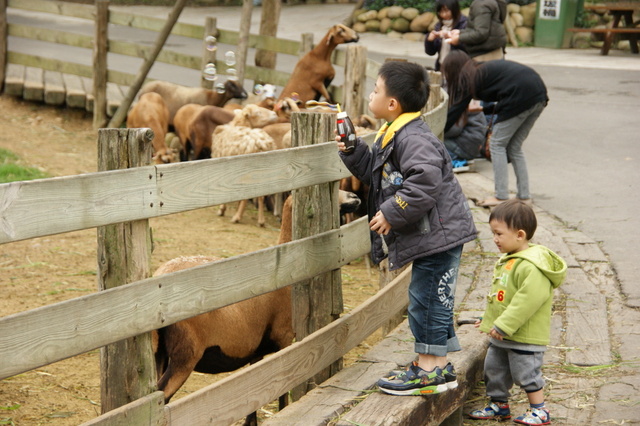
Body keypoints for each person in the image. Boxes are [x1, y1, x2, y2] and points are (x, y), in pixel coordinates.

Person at [336, 61, 477, 396]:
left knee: (426, 300)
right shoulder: (397, 132)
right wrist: (354, 150)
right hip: (435, 234)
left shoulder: (413, 137)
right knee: (434, 299)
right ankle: (438, 366)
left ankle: (427, 371)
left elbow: (424, 180)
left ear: (392, 104)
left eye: (375, 89)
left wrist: (391, 212)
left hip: (437, 236)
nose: (371, 94)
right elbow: (378, 170)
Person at [468, 199, 566, 424]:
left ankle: (539, 410)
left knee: (527, 373)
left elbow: (525, 302)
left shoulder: (531, 266)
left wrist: (503, 324)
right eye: (493, 233)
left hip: (523, 336)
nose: (494, 239)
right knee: (494, 370)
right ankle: (499, 404)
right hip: (502, 335)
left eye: (499, 234)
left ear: (520, 235)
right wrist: (490, 319)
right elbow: (505, 297)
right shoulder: (510, 260)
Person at [441, 50, 548, 207]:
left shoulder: (469, 78)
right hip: (538, 94)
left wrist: (436, 130)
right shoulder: (480, 71)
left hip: (521, 96)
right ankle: (524, 196)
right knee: (514, 147)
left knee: (497, 144)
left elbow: (455, 112)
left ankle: (501, 196)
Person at [443, 99, 487, 171]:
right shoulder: (469, 102)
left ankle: (457, 159)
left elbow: (454, 130)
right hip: (473, 146)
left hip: (467, 146)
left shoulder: (462, 106)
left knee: (437, 141)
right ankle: (460, 158)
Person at [424, 0, 468, 71]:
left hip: (460, 67)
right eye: (440, 12)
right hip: (442, 66)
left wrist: (454, 40)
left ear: (454, 9)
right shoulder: (439, 26)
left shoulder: (465, 24)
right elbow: (430, 52)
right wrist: (430, 40)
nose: (444, 15)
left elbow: (468, 48)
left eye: (446, 11)